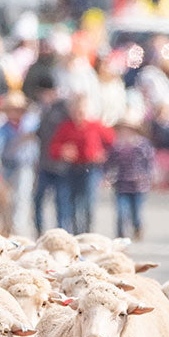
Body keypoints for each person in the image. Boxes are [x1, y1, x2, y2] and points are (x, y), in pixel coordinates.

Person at [49, 93, 114, 234]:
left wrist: (103, 154)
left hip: (90, 168)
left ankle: (87, 231)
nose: (79, 113)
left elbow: (112, 142)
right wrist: (62, 151)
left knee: (88, 202)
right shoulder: (66, 127)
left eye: (82, 110)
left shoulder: (95, 125)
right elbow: (53, 148)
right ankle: (75, 232)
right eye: (76, 110)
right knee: (71, 202)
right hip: (72, 168)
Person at [0, 91, 38, 236]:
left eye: (18, 109)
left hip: (24, 165)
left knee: (22, 197)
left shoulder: (31, 123)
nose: (15, 113)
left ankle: (18, 231)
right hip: (5, 165)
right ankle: (7, 229)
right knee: (4, 202)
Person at [30, 77, 70, 235]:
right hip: (44, 162)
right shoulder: (41, 110)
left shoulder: (62, 110)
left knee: (61, 201)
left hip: (60, 164)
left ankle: (61, 230)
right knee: (38, 199)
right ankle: (39, 228)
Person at [106, 115, 154, 241]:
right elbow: (109, 163)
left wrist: (148, 177)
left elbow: (149, 163)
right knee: (121, 212)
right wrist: (107, 176)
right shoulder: (117, 146)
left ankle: (137, 228)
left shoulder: (142, 145)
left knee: (136, 213)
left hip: (138, 185)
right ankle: (120, 236)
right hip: (121, 184)